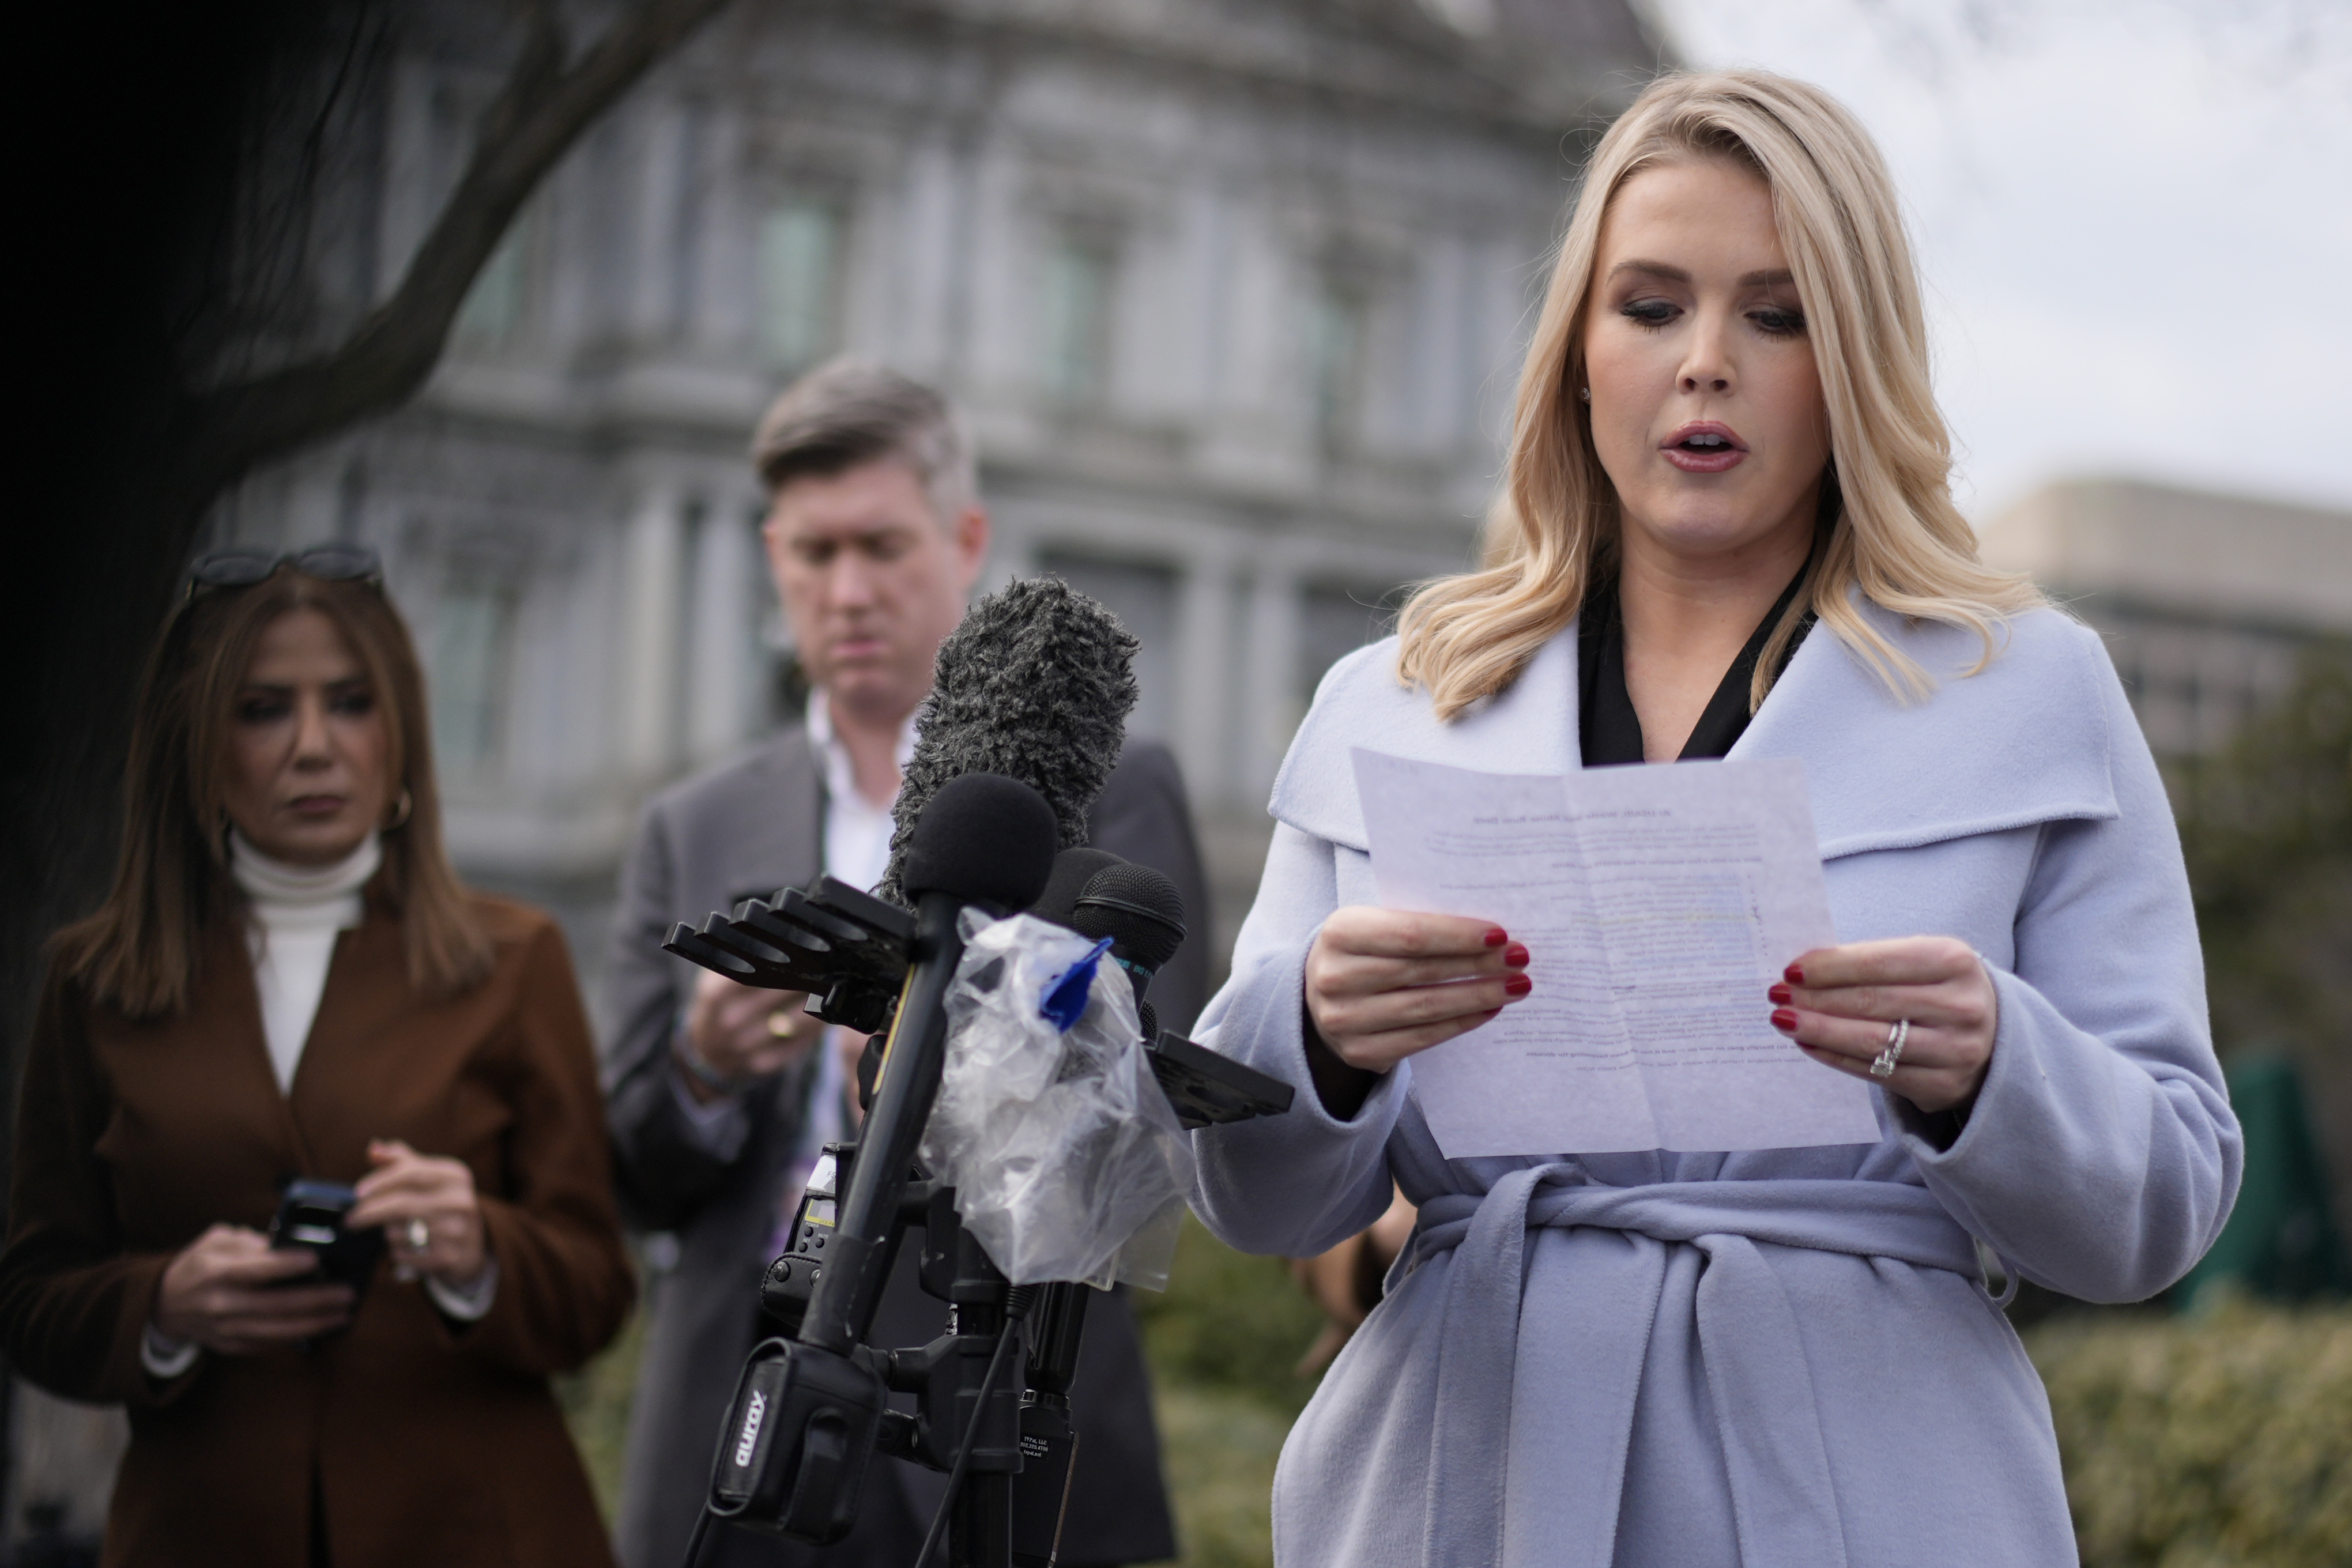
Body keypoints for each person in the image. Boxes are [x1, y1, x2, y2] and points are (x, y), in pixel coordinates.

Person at [1189, 69, 2241, 1567]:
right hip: (1458, 1479)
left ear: (1856, 361)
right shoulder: (1395, 698)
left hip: (1876, 1483)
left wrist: (1995, 1071)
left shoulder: (2029, 691)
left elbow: (2165, 1203)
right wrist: (1316, 1037)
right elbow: (1255, 1197)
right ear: (1575, 358)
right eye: (1650, 306)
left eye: (1777, 314)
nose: (1705, 365)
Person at [604, 360, 1199, 1568]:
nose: (849, 590)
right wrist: (708, 1069)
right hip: (749, 1415)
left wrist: (953, 1070)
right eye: (814, 554)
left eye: (882, 544)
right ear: (774, 555)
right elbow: (626, 1164)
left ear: (966, 538)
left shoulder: (1117, 788)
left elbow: (1163, 1108)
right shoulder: (694, 824)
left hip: (1006, 1414)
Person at [0, 546, 635, 1568]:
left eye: (349, 703)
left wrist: (478, 1253)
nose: (312, 747)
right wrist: (161, 1304)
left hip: (478, 1534)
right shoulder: (97, 984)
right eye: (261, 710)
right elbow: (32, 1297)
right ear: (194, 738)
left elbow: (597, 1288)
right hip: (198, 1533)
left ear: (399, 732)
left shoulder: (515, 961)